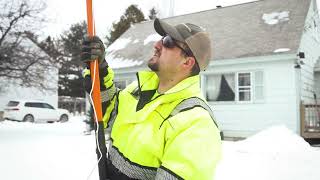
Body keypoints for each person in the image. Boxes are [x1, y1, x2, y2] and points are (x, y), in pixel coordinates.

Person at [81, 18, 222, 180]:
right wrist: (100, 71)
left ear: (187, 62)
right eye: (162, 39)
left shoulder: (196, 123)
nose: (157, 44)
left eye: (168, 42)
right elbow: (110, 113)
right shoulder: (139, 90)